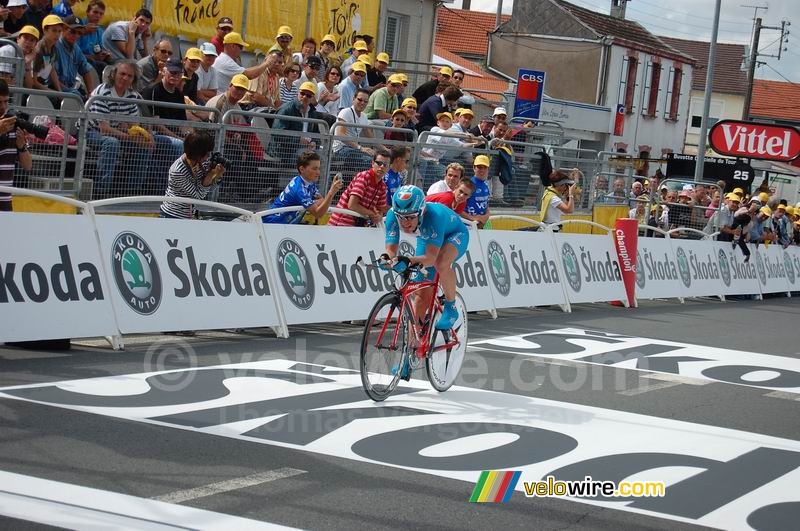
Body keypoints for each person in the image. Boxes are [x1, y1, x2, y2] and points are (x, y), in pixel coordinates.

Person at [383, 185, 470, 362]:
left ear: (421, 211)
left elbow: (430, 258)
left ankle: (451, 308)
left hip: (455, 234)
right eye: (401, 217)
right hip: (428, 237)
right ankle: (409, 355)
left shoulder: (433, 216)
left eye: (410, 217)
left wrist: (408, 260)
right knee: (420, 298)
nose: (405, 222)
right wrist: (388, 259)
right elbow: (391, 250)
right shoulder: (392, 214)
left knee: (441, 263)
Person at [84, 60, 154, 197]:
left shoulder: (132, 95)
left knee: (144, 145)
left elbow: (133, 126)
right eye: (122, 74)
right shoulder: (102, 92)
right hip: (90, 132)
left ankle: (131, 193)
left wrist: (145, 137)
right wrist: (130, 136)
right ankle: (101, 192)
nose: (125, 78)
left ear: (133, 79)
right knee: (111, 143)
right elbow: (104, 129)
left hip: (116, 132)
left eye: (129, 76)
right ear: (114, 74)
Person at [262, 152, 343, 224]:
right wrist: (331, 192)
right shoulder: (299, 189)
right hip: (273, 224)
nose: (318, 172)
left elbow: (322, 200)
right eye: (314, 169)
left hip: (284, 224)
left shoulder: (309, 182)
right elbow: (318, 213)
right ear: (302, 169)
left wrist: (312, 203)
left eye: (319, 168)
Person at [159, 131, 225, 219]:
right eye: (206, 153)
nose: (208, 156)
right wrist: (210, 175)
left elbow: (208, 189)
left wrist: (217, 176)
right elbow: (198, 196)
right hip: (172, 215)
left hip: (189, 215)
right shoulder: (178, 171)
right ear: (198, 153)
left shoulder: (201, 163)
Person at [328, 149, 391, 227]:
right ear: (372, 163)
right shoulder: (363, 177)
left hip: (357, 226)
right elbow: (352, 205)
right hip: (340, 223)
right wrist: (371, 214)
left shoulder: (382, 186)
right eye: (379, 163)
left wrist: (379, 216)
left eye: (385, 165)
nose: (381, 167)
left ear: (388, 168)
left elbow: (380, 209)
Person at [0, 78, 32, 211]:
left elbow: (28, 166)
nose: (3, 107)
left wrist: (22, 146)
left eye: (6, 101)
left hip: (5, 202)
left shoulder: (13, 125)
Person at [332, 88, 374, 168]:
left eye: (365, 101)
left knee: (378, 159)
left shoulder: (364, 116)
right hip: (341, 149)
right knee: (369, 161)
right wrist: (360, 148)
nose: (362, 103)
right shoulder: (345, 112)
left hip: (354, 149)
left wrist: (385, 150)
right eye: (360, 100)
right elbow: (340, 135)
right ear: (353, 99)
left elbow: (372, 139)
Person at [54, 15, 94, 98]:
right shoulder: (55, 46)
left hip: (70, 89)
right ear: (63, 29)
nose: (76, 36)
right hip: (54, 90)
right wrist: (69, 91)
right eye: (73, 32)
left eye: (79, 33)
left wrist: (90, 92)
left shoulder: (76, 48)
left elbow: (85, 70)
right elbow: (52, 80)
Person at [31, 14, 65, 92]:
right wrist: (51, 92)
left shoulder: (54, 48)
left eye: (59, 31)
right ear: (45, 31)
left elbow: (51, 69)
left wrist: (59, 90)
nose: (57, 34)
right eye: (54, 30)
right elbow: (34, 82)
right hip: (33, 89)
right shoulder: (39, 51)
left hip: (43, 85)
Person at [77, 0, 111, 77]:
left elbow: (100, 50)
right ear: (87, 12)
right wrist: (83, 31)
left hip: (94, 61)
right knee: (99, 65)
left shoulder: (100, 31)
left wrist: (105, 54)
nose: (98, 16)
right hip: (79, 61)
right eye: (95, 12)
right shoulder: (79, 27)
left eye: (101, 14)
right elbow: (74, 53)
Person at [463, 155, 491, 228]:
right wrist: (473, 219)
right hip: (468, 226)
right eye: (479, 167)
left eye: (485, 167)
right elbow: (457, 209)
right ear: (474, 168)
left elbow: (486, 205)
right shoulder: (468, 184)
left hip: (481, 226)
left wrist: (486, 216)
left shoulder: (486, 185)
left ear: (488, 169)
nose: (482, 170)